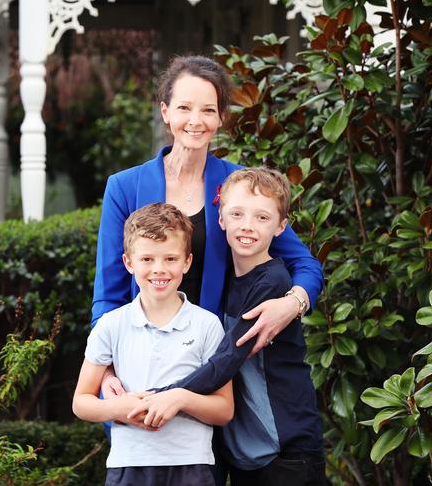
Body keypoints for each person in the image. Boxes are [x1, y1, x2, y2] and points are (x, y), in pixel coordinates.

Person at [93, 55, 324, 399]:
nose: (195, 121)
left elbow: (305, 264)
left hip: (215, 364)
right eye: (184, 107)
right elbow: (109, 292)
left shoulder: (241, 185)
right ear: (165, 111)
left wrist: (292, 304)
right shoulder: (124, 187)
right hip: (141, 363)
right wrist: (106, 367)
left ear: (221, 118)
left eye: (208, 110)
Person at [129, 168, 324, 486]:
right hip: (246, 447)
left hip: (287, 446)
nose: (247, 226)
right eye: (237, 214)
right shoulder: (224, 279)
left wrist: (166, 396)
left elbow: (229, 358)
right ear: (220, 220)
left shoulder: (273, 281)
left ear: (281, 226)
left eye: (262, 218)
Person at [73, 203, 234, 486]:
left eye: (170, 259)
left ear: (187, 262)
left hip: (192, 466)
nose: (159, 269)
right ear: (128, 262)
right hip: (129, 465)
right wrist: (120, 408)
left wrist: (180, 399)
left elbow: (224, 410)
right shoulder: (111, 325)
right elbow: (81, 402)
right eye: (147, 259)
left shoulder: (208, 325)